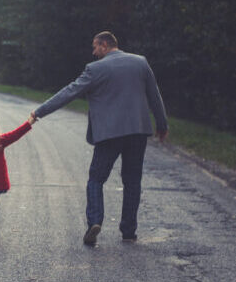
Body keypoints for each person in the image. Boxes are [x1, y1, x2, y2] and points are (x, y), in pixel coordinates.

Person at [31, 31, 168, 245]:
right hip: (137, 132)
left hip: (109, 134)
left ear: (104, 45)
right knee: (132, 181)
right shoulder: (140, 63)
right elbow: (155, 95)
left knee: (96, 178)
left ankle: (95, 222)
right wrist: (162, 124)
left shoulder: (95, 69)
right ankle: (129, 232)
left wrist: (40, 111)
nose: (94, 52)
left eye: (95, 47)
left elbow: (69, 92)